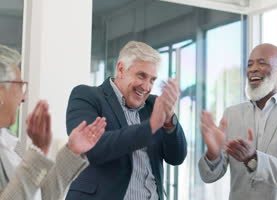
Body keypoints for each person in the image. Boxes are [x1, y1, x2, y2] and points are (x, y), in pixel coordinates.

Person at [65, 41, 187, 200]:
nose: (146, 86)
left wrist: (169, 120)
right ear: (121, 69)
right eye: (141, 76)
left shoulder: (153, 106)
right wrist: (150, 127)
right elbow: (93, 149)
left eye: (152, 80)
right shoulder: (86, 96)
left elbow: (176, 157)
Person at [198, 43, 277, 200]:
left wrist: (253, 159)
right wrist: (213, 153)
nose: (253, 69)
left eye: (262, 63)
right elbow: (208, 176)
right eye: (250, 64)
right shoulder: (231, 114)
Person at [0, 44, 106, 200]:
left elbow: (41, 195)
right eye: (20, 86)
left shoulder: (7, 142)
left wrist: (72, 151)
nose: (23, 98)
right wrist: (38, 152)